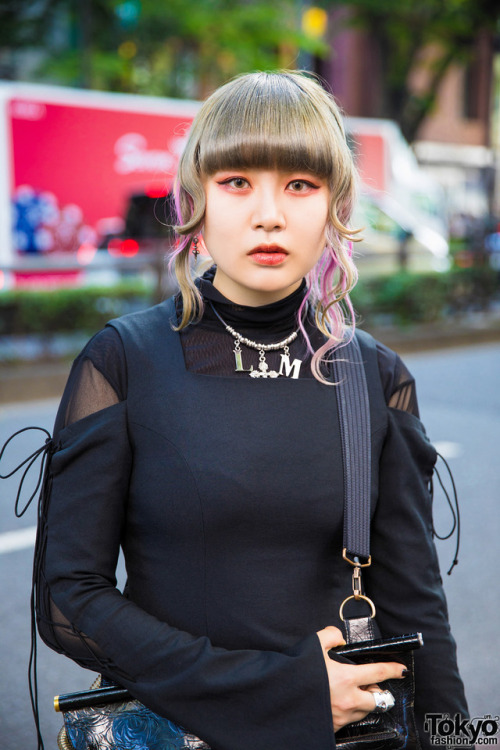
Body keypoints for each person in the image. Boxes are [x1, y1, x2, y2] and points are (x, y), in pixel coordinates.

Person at [34, 71, 468, 749]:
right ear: (197, 200)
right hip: (173, 732)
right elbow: (70, 599)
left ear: (334, 204)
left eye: (300, 184)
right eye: (238, 182)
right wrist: (281, 691)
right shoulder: (124, 360)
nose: (270, 214)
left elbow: (418, 609)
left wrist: (457, 742)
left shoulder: (373, 376)